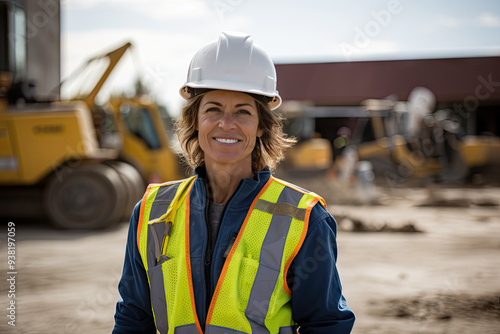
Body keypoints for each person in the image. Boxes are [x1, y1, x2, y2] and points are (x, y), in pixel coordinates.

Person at [113, 31, 355, 334]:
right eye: (213, 109)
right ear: (195, 120)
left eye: (242, 112)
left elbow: (327, 324)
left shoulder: (304, 219)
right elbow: (133, 318)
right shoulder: (152, 212)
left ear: (261, 127)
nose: (226, 124)